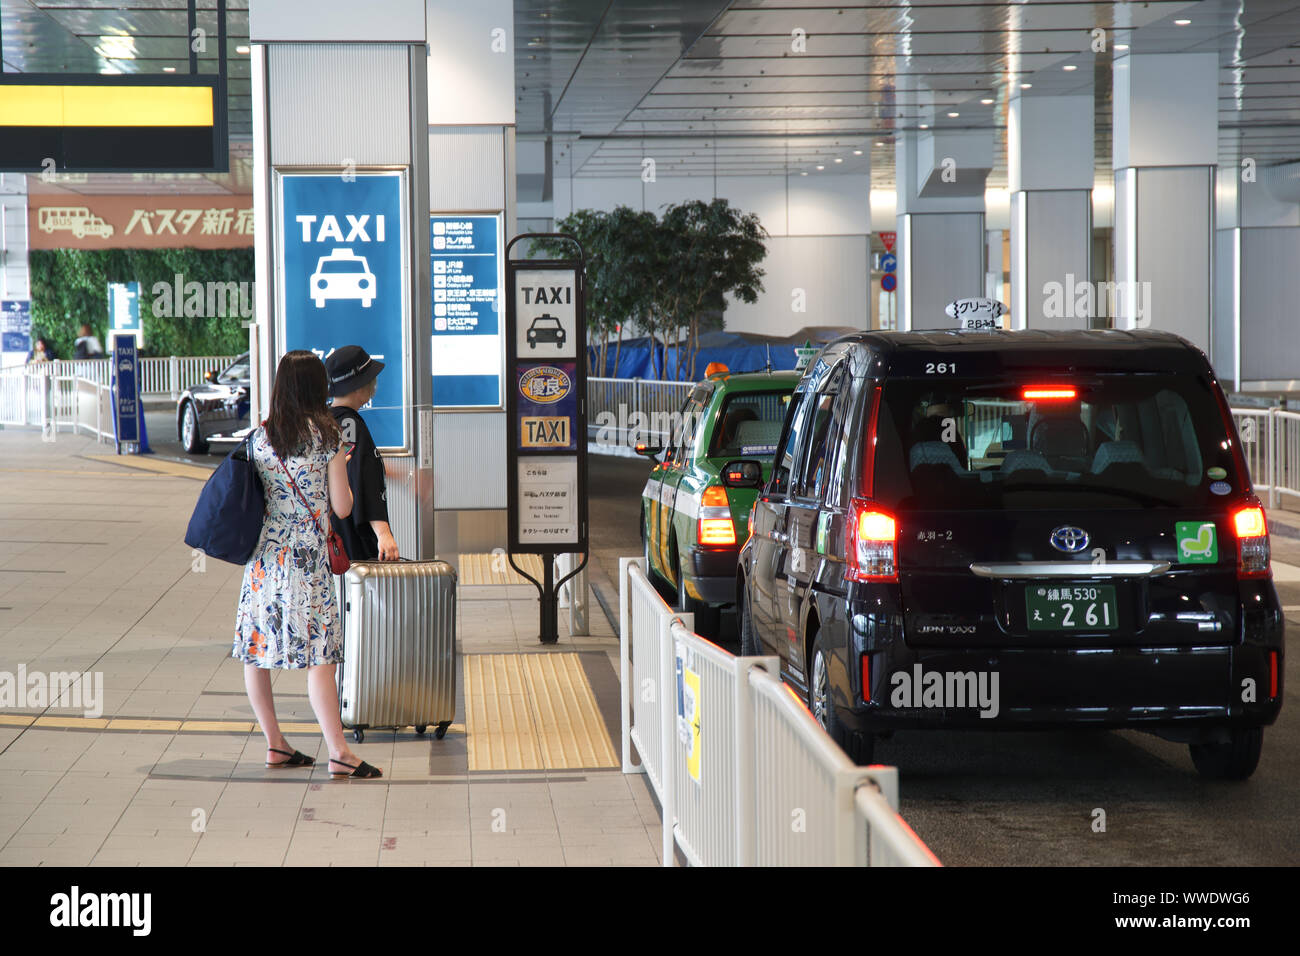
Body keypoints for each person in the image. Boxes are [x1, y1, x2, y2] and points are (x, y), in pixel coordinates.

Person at [232, 350, 382, 779]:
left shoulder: (260, 437)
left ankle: (276, 744)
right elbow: (342, 504)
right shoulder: (328, 436)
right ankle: (339, 752)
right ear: (318, 388)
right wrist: (344, 472)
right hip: (306, 563)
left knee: (258, 654)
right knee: (321, 659)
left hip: (264, 563)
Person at [324, 345, 399, 561]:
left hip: (333, 535)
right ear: (359, 387)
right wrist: (383, 533)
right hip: (352, 540)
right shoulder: (350, 424)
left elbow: (348, 465)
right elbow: (361, 476)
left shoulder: (328, 421)